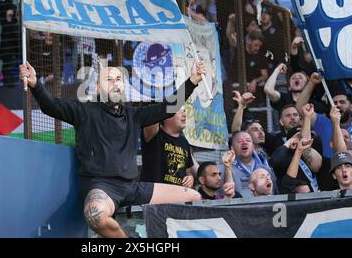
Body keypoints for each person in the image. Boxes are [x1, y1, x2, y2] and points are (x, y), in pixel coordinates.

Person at [19, 60, 206, 238]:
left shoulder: (134, 115)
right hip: (102, 187)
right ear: (99, 88)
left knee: (195, 197)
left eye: (119, 79)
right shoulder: (84, 111)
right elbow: (52, 106)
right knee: (95, 215)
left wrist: (193, 81)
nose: (115, 83)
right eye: (109, 79)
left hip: (132, 188)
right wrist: (36, 84)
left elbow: (168, 107)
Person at [140, 106, 199, 187]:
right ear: (165, 116)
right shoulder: (155, 134)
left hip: (177, 195)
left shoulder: (184, 142)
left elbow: (188, 170)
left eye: (184, 111)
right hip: (155, 193)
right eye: (179, 111)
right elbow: (153, 114)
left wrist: (190, 177)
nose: (184, 114)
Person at [270, 103, 322, 192]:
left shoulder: (314, 140)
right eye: (288, 115)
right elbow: (275, 160)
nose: (292, 118)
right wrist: (290, 142)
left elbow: (317, 166)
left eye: (295, 115)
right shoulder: (280, 148)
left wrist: (307, 117)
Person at [221, 131, 277, 197]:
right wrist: (227, 168)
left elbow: (275, 194)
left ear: (253, 146)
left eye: (248, 140)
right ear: (232, 148)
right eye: (240, 141)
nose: (244, 143)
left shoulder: (266, 170)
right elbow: (223, 196)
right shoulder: (222, 169)